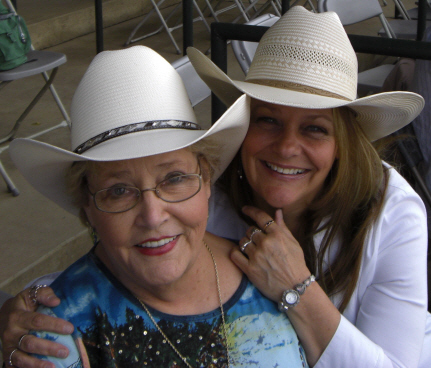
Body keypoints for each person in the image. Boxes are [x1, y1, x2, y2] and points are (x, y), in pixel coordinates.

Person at [1, 6, 430, 368]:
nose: (286, 147)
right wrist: (20, 309)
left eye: (315, 129)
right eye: (267, 120)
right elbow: (137, 254)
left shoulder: (392, 213)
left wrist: (297, 290)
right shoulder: (211, 184)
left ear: (344, 144)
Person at [0, 45, 310, 368]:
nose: (152, 215)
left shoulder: (274, 273)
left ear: (205, 180)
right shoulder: (55, 334)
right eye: (119, 190)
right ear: (87, 206)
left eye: (174, 178)